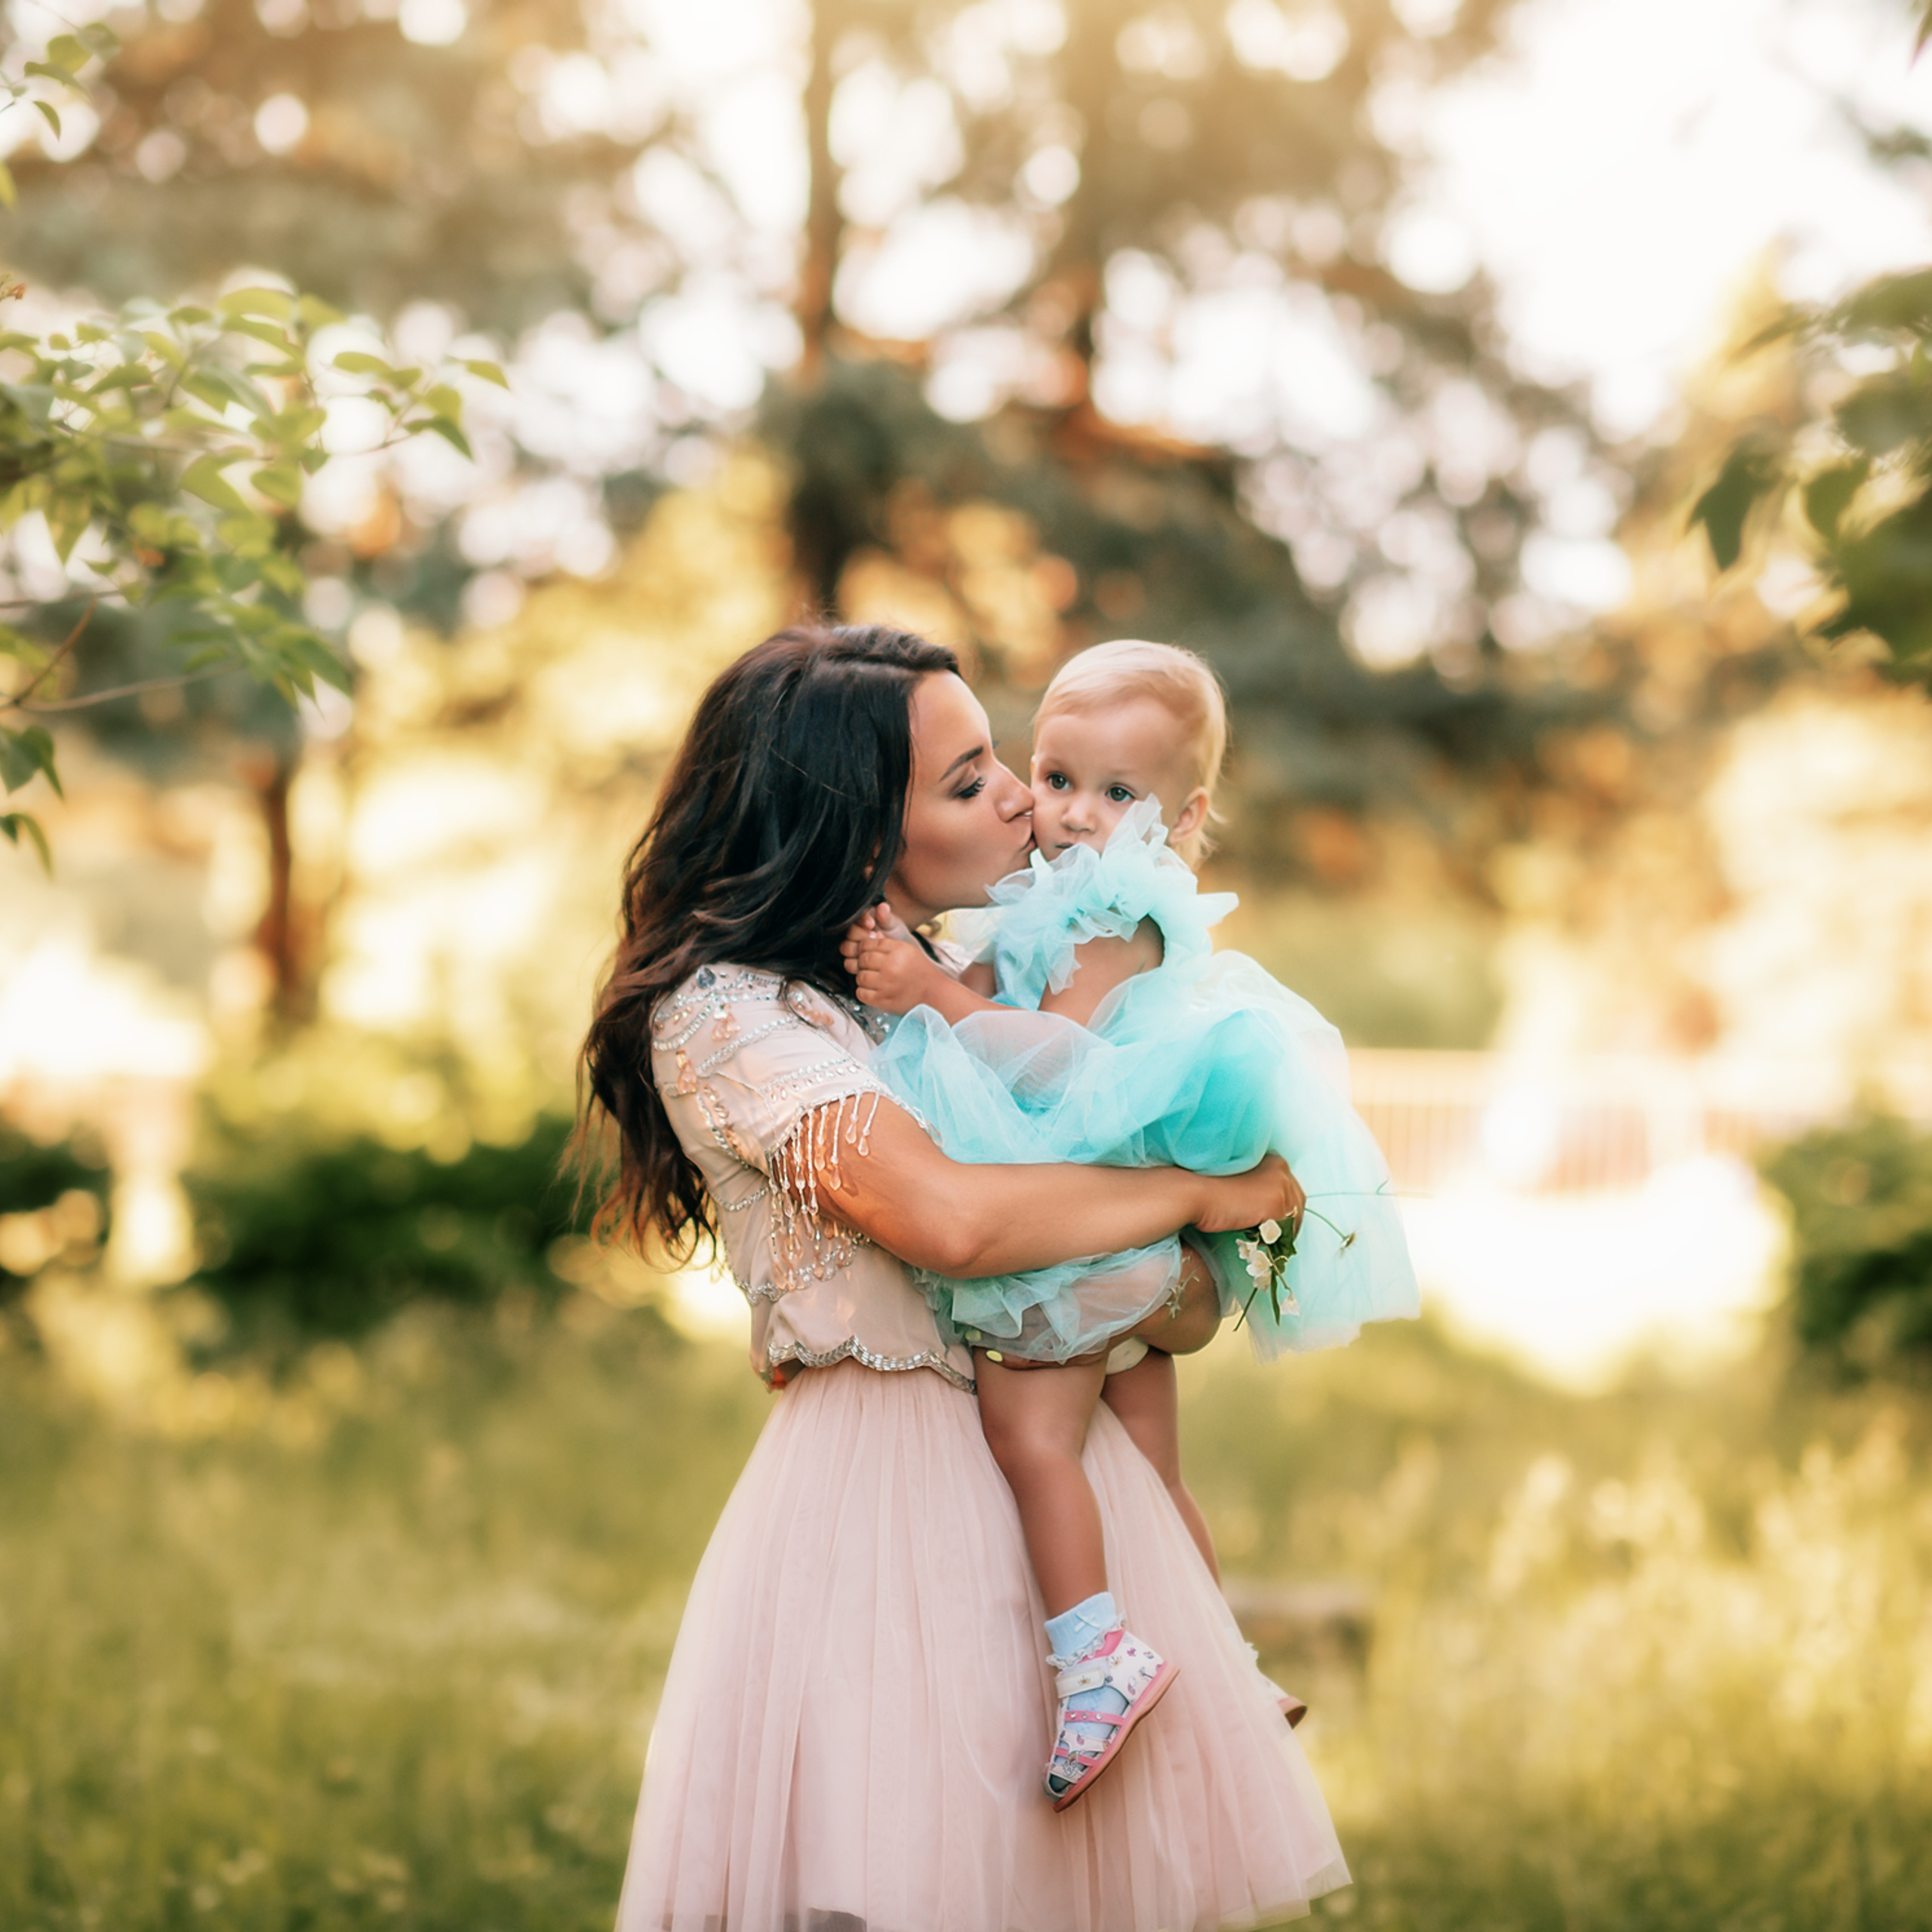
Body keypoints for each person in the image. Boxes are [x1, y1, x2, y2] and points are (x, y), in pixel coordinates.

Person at [582, 623, 1349, 1932]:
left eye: (1001, 759)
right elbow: (953, 1222)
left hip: (1077, 1505)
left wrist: (1176, 1267)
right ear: (850, 829)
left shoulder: (974, 978)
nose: (1016, 799)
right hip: (885, 1511)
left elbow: (1180, 1300)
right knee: (914, 1864)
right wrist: (1194, 1198)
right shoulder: (734, 1015)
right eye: (968, 779)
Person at [843, 638, 1419, 1806]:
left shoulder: (1113, 907)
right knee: (1151, 1479)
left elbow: (1061, 1064)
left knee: (1033, 1440)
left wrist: (933, 992)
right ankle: (1229, 1667)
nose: (1071, 812)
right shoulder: (1059, 895)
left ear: (1183, 814)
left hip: (1080, 1222)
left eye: (1116, 793)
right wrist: (942, 972)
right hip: (1122, 1223)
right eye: (1057, 777)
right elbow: (1009, 1002)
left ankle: (1095, 1658)